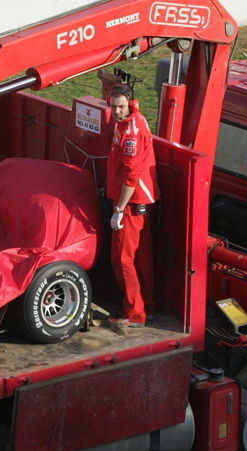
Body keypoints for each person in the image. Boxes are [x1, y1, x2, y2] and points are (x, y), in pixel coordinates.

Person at [106, 85, 159, 328]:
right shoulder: (131, 122)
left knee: (123, 259)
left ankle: (135, 313)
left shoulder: (130, 132)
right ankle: (146, 305)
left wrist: (119, 209)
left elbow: (131, 175)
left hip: (131, 202)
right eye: (113, 106)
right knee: (141, 257)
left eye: (120, 106)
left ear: (130, 103)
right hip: (140, 201)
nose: (116, 111)